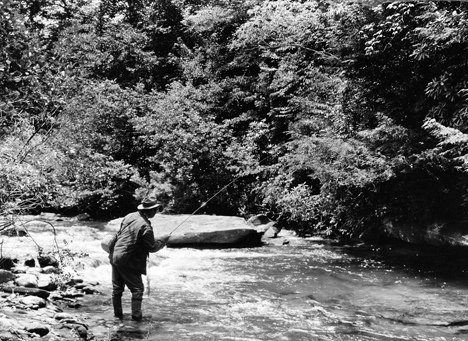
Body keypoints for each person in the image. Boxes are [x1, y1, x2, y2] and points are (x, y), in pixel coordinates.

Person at [109, 195, 170, 321]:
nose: (157, 212)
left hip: (114, 255)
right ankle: (136, 319)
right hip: (127, 260)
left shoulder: (129, 216)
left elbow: (120, 235)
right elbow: (152, 247)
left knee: (117, 289)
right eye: (156, 209)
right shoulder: (146, 227)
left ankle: (117, 316)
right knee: (137, 289)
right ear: (152, 210)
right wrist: (163, 240)